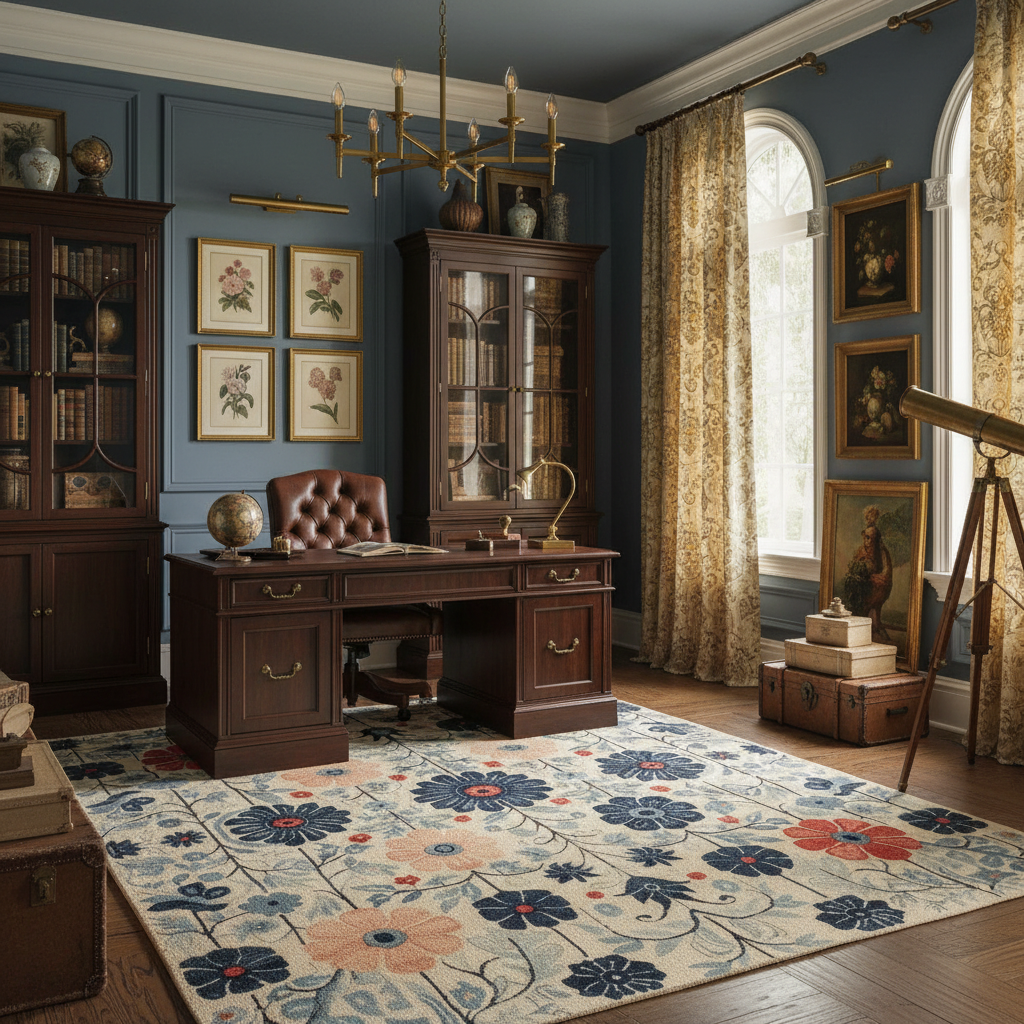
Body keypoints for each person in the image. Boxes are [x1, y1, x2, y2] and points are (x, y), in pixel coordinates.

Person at [841, 504, 892, 641]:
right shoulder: (861, 550)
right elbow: (854, 565)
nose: (868, 541)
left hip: (874, 581)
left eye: (871, 538)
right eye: (866, 537)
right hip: (863, 583)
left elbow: (883, 568)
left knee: (874, 598)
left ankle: (874, 627)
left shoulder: (880, 550)